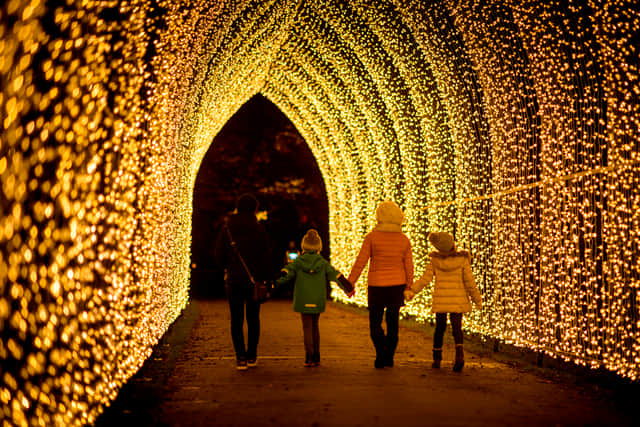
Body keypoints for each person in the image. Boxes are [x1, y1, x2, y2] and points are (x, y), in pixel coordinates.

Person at [348, 200, 413, 368]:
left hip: (376, 286)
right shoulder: (404, 240)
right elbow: (409, 266)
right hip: (397, 285)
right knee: (393, 322)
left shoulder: (371, 237)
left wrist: (350, 283)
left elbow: (360, 262)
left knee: (375, 322)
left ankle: (380, 353)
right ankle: (389, 356)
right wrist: (409, 286)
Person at [405, 231, 482, 372]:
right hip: (458, 300)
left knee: (439, 328)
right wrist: (477, 299)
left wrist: (412, 291)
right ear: (452, 244)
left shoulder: (434, 261)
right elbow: (470, 282)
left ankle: (437, 358)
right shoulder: (463, 260)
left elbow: (424, 280)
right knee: (457, 328)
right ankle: (459, 355)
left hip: (441, 300)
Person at [275, 229, 353, 367]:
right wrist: (348, 288)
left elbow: (286, 273)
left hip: (303, 298)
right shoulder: (322, 263)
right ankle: (316, 356)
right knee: (315, 326)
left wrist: (272, 283)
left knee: (307, 328)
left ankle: (309, 356)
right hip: (317, 298)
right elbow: (336, 275)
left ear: (304, 245)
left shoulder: (298, 262)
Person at [215, 193, 272, 370]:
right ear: (254, 209)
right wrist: (264, 278)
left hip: (234, 280)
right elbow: (266, 257)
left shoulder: (227, 229)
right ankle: (252, 355)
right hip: (254, 281)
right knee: (253, 318)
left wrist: (228, 267)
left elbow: (218, 255)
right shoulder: (259, 229)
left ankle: (240, 357)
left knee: (236, 319)